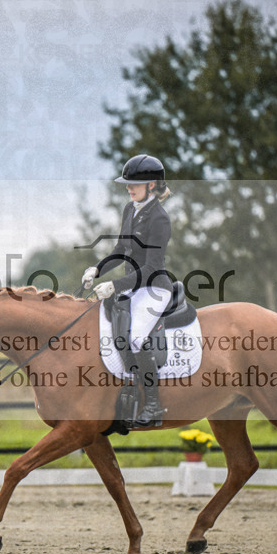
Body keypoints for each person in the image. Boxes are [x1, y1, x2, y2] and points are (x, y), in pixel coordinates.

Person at [82, 154, 173, 428]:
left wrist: (115, 286)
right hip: (133, 288)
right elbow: (121, 251)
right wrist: (97, 269)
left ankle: (154, 406)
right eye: (127, 184)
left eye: (135, 184)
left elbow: (152, 267)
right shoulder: (130, 209)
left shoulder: (160, 219)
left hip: (154, 287)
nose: (129, 188)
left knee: (135, 340)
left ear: (152, 185)